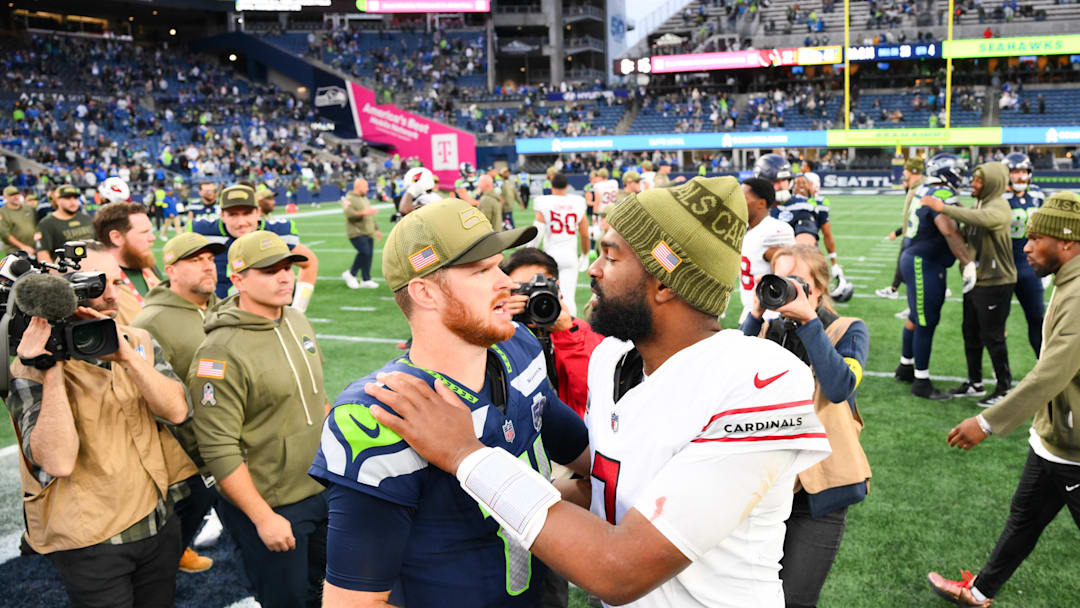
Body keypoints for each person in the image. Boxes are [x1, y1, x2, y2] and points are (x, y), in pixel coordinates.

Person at [368, 178, 831, 606]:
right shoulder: (613, 360)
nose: (592, 269)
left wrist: (465, 455)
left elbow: (619, 569)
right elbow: (611, 488)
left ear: (665, 281)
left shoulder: (762, 380)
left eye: (610, 256)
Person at [309, 199, 590, 606]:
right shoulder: (378, 415)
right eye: (481, 271)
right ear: (424, 291)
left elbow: (589, 460)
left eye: (498, 265)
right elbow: (352, 603)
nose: (506, 283)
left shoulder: (519, 348)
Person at [6, 241, 196, 607]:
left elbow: (176, 411)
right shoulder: (28, 367)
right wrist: (53, 368)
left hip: (158, 522)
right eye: (97, 284)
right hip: (92, 542)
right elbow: (58, 461)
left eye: (115, 281)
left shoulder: (136, 338)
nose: (112, 294)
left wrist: (128, 357)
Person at [927, 192, 1080, 608]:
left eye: (1036, 239)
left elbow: (1052, 371)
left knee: (1024, 519)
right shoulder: (1069, 282)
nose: (1026, 247)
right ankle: (978, 593)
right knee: (1024, 519)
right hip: (1054, 439)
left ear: (1067, 242)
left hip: (1075, 447)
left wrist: (987, 422)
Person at [189, 230, 329, 608]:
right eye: (269, 270)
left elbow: (316, 400)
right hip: (273, 504)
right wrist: (262, 516)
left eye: (287, 267)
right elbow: (218, 446)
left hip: (322, 489)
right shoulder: (220, 351)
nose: (285, 277)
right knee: (287, 600)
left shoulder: (297, 321)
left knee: (332, 593)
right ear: (238, 279)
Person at [740, 244, 871, 608]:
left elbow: (839, 386)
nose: (789, 290)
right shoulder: (766, 328)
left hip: (819, 492)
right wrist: (754, 314)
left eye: (798, 282)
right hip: (765, 486)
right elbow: (730, 380)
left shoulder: (848, 330)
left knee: (796, 598)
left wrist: (809, 322)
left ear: (819, 287)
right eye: (781, 280)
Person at [132, 232, 226, 575]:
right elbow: (152, 396)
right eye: (195, 259)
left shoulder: (221, 306)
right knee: (190, 509)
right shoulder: (149, 322)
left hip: (230, 440)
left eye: (209, 259)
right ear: (170, 269)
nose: (208, 266)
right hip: (188, 452)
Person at [923, 162, 1016, 406]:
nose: (972, 184)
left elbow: (982, 219)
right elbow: (971, 222)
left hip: (996, 281)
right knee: (970, 333)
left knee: (993, 336)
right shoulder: (981, 203)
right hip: (976, 281)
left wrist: (944, 207)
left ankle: (1004, 387)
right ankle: (975, 383)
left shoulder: (999, 206)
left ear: (992, 183)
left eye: (978, 181)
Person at [893, 154, 976, 400]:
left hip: (916, 259)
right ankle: (921, 381)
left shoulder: (926, 189)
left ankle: (906, 366)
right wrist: (967, 262)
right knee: (926, 322)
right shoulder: (940, 194)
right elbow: (949, 231)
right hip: (924, 263)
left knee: (915, 317)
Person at [502, 247, 604, 418]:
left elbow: (593, 396)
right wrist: (502, 325)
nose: (535, 296)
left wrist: (567, 335)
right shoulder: (497, 336)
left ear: (557, 289)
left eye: (542, 286)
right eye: (524, 289)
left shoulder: (581, 333)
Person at [188, 184, 319, 310]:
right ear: (222, 215)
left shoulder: (277, 232)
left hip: (266, 319)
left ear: (258, 212)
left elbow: (309, 263)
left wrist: (299, 308)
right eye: (233, 214)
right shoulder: (203, 232)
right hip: (218, 316)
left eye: (247, 214)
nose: (241, 222)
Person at [1002, 152, 1046, 356]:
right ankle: (1001, 371)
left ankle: (1043, 365)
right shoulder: (998, 196)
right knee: (997, 323)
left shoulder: (1037, 195)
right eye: (1015, 171)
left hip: (1029, 266)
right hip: (1002, 266)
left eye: (1024, 171)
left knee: (1038, 318)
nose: (1020, 176)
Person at [530, 173, 589, 317]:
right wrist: (585, 254)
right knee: (569, 298)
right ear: (567, 186)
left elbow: (538, 231)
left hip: (550, 255)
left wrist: (530, 252)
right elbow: (585, 233)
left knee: (547, 296)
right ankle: (570, 331)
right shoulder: (577, 202)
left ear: (551, 186)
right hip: (570, 255)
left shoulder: (544, 201)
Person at [737, 177, 795, 322]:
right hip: (750, 312)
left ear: (761, 203)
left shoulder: (772, 230)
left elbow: (790, 273)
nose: (737, 203)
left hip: (770, 316)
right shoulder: (745, 229)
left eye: (743, 198)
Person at [92, 202, 163, 307]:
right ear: (116, 237)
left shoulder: (150, 268)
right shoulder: (99, 287)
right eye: (144, 232)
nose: (152, 238)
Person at [877, 157, 926, 299]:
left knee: (912, 266)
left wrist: (900, 233)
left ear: (912, 171)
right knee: (906, 264)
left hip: (916, 234)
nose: (903, 172)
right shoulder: (914, 186)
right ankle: (896, 291)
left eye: (906, 169)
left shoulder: (920, 189)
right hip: (910, 232)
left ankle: (897, 292)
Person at [34, 185, 96, 263]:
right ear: (57, 201)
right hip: (67, 271)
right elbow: (43, 255)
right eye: (67, 198)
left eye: (75, 198)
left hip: (94, 268)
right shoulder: (46, 224)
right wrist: (54, 274)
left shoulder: (86, 219)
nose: (73, 202)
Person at [341, 178, 382, 289]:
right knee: (364, 252)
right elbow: (348, 214)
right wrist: (364, 212)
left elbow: (370, 215)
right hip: (356, 232)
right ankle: (351, 274)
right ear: (358, 187)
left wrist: (376, 229)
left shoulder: (364, 198)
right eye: (366, 187)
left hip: (367, 231)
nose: (368, 189)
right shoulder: (349, 198)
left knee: (369, 255)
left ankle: (366, 279)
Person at [0, 184, 37, 255]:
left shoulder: (29, 208)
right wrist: (22, 246)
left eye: (17, 194)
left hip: (33, 248)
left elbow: (38, 225)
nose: (15, 196)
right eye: (12, 195)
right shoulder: (2, 212)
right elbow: (5, 234)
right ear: (5, 197)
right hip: (15, 250)